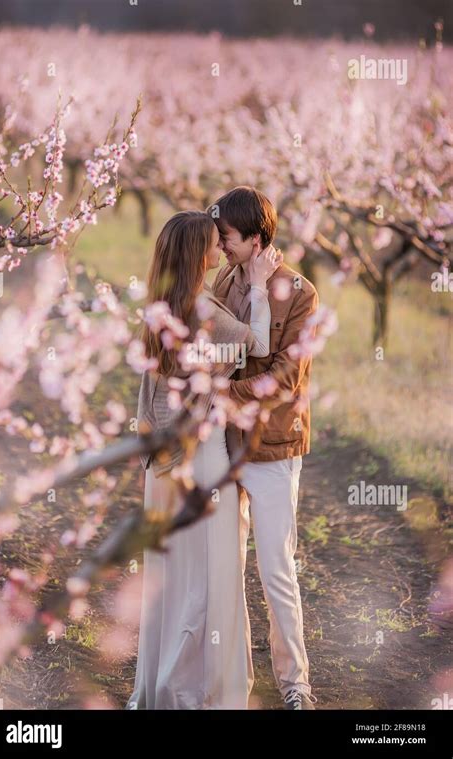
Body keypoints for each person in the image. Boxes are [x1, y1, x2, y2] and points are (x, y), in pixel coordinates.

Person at [126, 210, 280, 709]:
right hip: (203, 459)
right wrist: (256, 285)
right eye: (214, 246)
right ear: (198, 254)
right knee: (209, 578)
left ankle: (160, 684)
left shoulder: (160, 304)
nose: (219, 254)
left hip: (162, 463)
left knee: (169, 579)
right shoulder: (204, 310)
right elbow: (258, 343)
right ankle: (198, 690)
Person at [210, 186, 319, 710]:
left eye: (228, 237)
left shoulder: (300, 292)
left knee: (276, 567)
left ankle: (295, 684)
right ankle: (237, 681)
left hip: (274, 448)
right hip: (225, 447)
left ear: (255, 239)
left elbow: (285, 377)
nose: (220, 245)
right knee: (226, 565)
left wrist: (221, 395)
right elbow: (218, 350)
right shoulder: (226, 279)